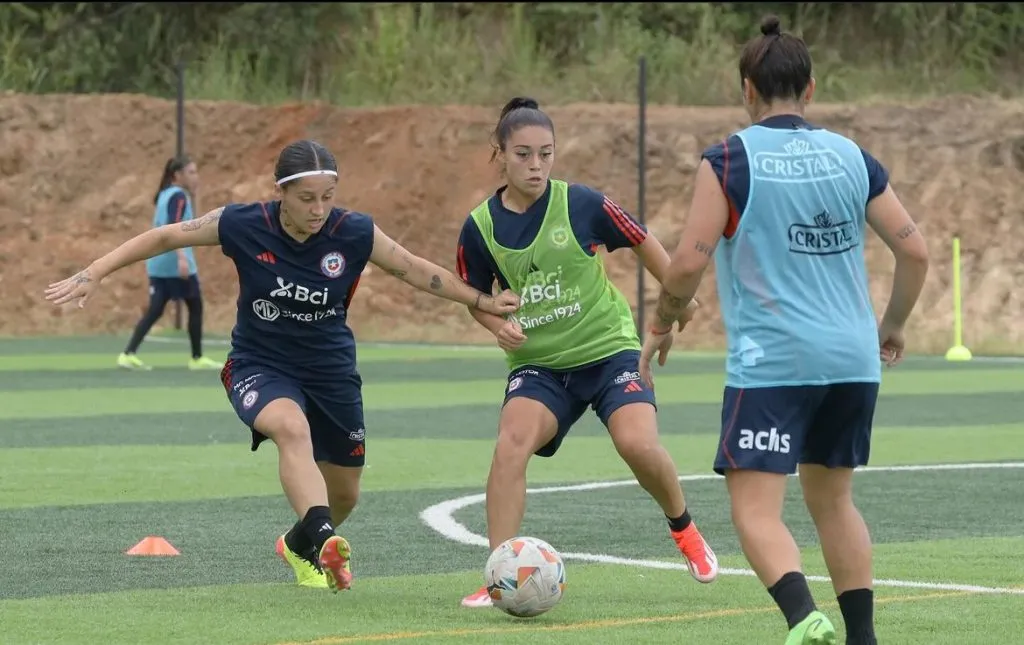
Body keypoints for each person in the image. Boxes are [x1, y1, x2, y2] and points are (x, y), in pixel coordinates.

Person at [45, 139, 521, 594]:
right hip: (259, 363)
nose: (318, 209)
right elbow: (168, 235)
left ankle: (299, 543)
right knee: (290, 427)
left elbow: (415, 269)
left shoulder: (352, 231)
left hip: (331, 371)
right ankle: (323, 539)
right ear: (281, 193)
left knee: (347, 494)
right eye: (307, 198)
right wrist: (94, 272)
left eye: (328, 197)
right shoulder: (242, 223)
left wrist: (482, 299)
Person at [639, 15, 929, 645]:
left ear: (747, 89)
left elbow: (688, 260)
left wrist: (663, 320)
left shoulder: (729, 159)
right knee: (834, 502)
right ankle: (862, 636)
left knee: (754, 509)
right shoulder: (854, 156)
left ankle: (804, 620)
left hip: (773, 364)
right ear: (811, 89)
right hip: (853, 361)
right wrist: (895, 324)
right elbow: (915, 252)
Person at [454, 96, 719, 609]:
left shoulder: (581, 204)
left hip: (610, 352)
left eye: (545, 154)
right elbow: (474, 296)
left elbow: (642, 240)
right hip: (540, 366)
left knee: (637, 445)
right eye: (524, 154)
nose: (536, 165)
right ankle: (499, 575)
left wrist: (679, 298)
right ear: (501, 154)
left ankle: (684, 530)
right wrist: (494, 324)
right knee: (510, 445)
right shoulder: (479, 227)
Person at [118, 155, 222, 371]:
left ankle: (128, 353)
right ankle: (196, 358)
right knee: (195, 306)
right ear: (178, 175)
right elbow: (176, 229)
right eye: (191, 172)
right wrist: (183, 258)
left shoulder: (165, 194)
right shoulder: (178, 196)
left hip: (158, 263)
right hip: (174, 265)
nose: (196, 177)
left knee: (156, 310)